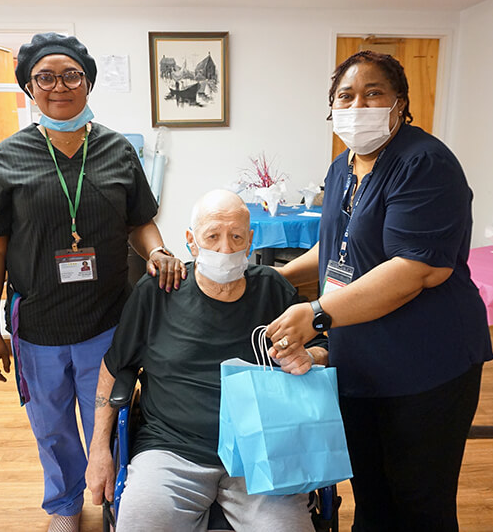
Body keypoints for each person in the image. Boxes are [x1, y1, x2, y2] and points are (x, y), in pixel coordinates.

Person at [265, 51, 493, 532]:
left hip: (425, 364)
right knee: (371, 490)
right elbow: (335, 251)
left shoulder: (425, 164)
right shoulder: (342, 168)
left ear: (400, 103)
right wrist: (272, 281)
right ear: (332, 107)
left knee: (418, 501)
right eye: (346, 96)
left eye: (373, 93)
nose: (358, 105)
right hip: (360, 362)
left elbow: (416, 270)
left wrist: (317, 314)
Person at [0, 32, 186, 532]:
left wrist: (155, 250)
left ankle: (114, 503)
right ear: (29, 86)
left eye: (71, 74)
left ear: (87, 82)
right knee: (51, 427)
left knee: (109, 419)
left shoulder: (117, 151)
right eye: (44, 76)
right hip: (39, 322)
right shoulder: (7, 159)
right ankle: (65, 507)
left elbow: (140, 220)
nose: (59, 86)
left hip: (108, 319)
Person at [85, 190, 328, 532]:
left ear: (250, 240)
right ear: (191, 241)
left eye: (236, 237)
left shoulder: (272, 290)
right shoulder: (158, 292)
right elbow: (114, 367)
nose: (225, 249)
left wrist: (309, 356)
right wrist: (99, 451)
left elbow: (319, 347)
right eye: (212, 236)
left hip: (259, 453)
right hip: (171, 451)